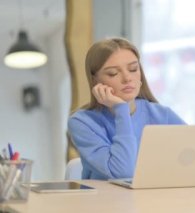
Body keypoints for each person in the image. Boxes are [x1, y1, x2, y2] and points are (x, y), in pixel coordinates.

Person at [68, 38, 186, 180]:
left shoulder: (162, 115)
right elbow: (123, 173)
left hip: (155, 199)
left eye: (133, 69)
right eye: (113, 73)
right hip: (103, 201)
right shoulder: (82, 122)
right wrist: (121, 109)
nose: (127, 78)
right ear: (95, 80)